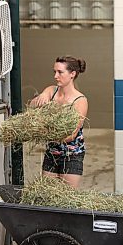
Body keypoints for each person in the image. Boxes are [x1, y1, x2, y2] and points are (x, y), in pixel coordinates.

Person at [30, 55, 88, 188]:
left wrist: (44, 134)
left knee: (66, 197)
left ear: (72, 74)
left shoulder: (80, 100)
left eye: (60, 72)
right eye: (54, 72)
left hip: (72, 155)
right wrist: (42, 96)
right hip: (52, 153)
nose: (56, 76)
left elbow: (72, 134)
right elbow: (33, 105)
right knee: (48, 194)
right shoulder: (51, 90)